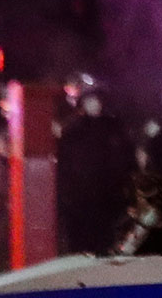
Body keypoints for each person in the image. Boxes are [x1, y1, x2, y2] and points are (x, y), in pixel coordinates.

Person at [55, 74, 134, 256]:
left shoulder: (114, 129)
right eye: (90, 99)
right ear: (83, 103)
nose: (95, 103)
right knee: (81, 252)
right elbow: (64, 170)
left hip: (110, 205)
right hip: (81, 207)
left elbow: (128, 163)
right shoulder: (73, 133)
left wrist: (126, 195)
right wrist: (66, 201)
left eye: (97, 99)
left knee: (108, 251)